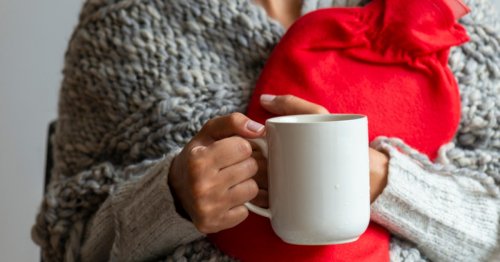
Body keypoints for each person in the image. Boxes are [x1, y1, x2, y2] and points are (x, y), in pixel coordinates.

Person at [32, 0, 500, 261]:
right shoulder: (129, 19)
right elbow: (73, 245)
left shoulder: (453, 15)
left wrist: (385, 181)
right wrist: (170, 199)